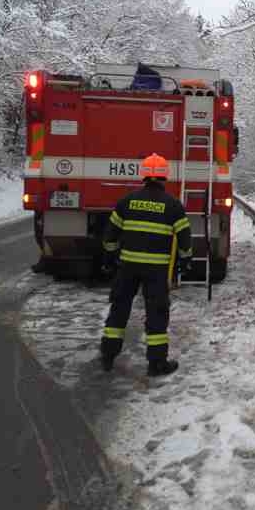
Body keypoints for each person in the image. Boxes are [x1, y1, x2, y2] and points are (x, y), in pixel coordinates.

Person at [99, 153, 192, 376]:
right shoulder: (173, 206)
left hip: (127, 267)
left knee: (119, 308)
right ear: (164, 177)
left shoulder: (127, 202)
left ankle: (108, 355)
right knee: (157, 314)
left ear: (143, 175)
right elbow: (185, 240)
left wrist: (110, 258)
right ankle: (157, 363)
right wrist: (185, 261)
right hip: (156, 271)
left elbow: (110, 237)